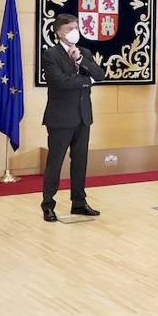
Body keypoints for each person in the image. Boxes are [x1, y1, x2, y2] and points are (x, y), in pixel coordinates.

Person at [40, 13, 105, 222]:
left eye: (76, 28)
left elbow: (99, 74)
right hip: (60, 118)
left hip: (83, 116)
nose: (74, 32)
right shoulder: (51, 54)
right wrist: (86, 81)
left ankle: (79, 202)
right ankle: (48, 205)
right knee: (55, 162)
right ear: (59, 32)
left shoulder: (84, 52)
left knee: (80, 161)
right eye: (69, 29)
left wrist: (80, 60)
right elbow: (60, 81)